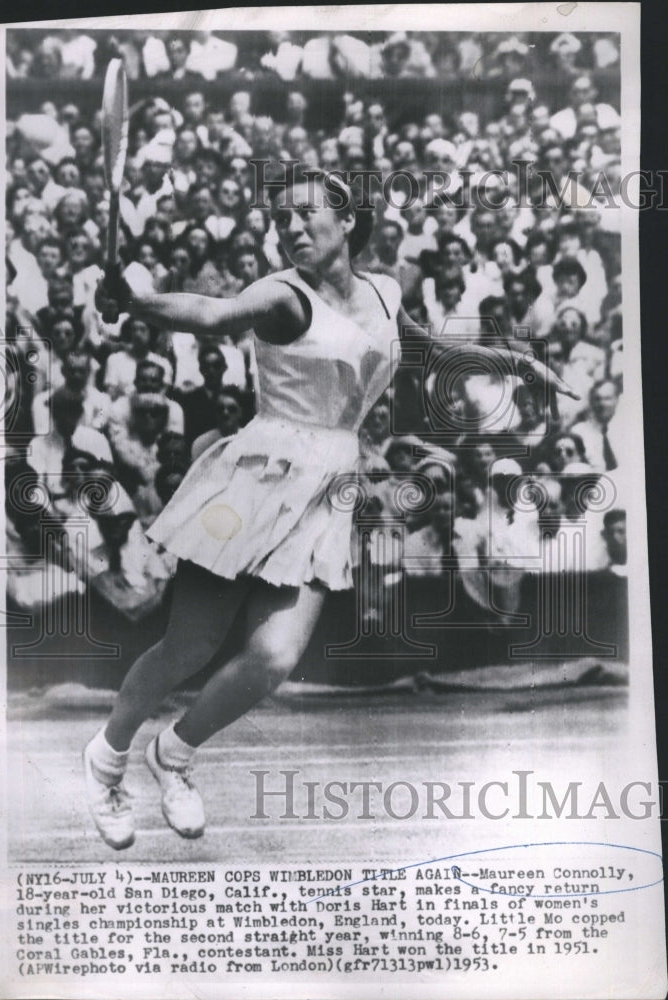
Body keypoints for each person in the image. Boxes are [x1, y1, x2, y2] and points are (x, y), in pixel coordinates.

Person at [83, 164, 576, 850]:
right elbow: (212, 314)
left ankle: (174, 753)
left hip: (327, 487)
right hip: (255, 480)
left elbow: (425, 347)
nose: (288, 228)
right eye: (278, 218)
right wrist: (137, 302)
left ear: (347, 221)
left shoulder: (380, 290)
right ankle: (107, 760)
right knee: (189, 644)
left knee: (275, 658)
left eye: (302, 213)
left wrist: (513, 363)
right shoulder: (280, 295)